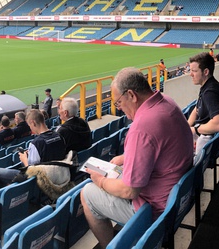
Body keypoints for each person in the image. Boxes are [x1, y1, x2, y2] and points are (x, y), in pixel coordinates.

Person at [81, 67, 194, 247]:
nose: (120, 109)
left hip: (155, 211)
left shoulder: (142, 127)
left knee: (86, 193)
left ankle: (111, 245)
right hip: (178, 197)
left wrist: (99, 180)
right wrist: (126, 157)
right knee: (117, 171)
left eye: (119, 103)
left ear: (132, 95)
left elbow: (129, 191)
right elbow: (160, 145)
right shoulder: (168, 102)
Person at [0, 109, 67, 190]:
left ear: (33, 123)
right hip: (57, 174)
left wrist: (24, 159)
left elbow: (31, 171)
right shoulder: (59, 136)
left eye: (30, 126)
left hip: (41, 181)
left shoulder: (36, 143)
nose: (30, 128)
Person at [185, 52, 219, 161]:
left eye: (194, 71)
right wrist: (186, 128)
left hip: (207, 144)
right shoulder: (207, 87)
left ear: (205, 72)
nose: (191, 74)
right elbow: (196, 109)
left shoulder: (210, 92)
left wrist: (195, 129)